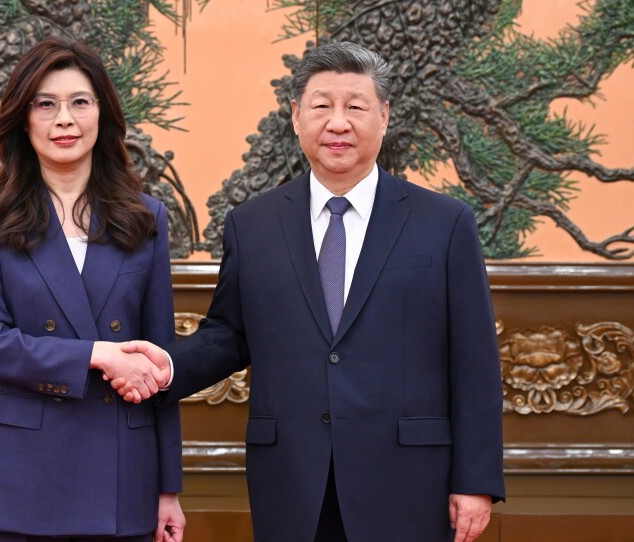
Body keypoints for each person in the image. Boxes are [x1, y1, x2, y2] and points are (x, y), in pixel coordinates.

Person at [116, 41, 505, 541]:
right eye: (322, 106)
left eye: (356, 107)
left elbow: (474, 360)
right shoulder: (252, 225)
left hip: (409, 483)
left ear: (384, 117)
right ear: (296, 116)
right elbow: (230, 334)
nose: (338, 123)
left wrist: (474, 482)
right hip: (293, 480)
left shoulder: (445, 223)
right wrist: (163, 367)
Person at [0, 36, 185, 542]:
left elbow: (158, 358)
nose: (65, 120)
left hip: (124, 476)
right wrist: (99, 354)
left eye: (80, 102)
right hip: (20, 478)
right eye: (45, 104)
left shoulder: (146, 217)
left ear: (102, 113)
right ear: (23, 117)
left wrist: (169, 489)